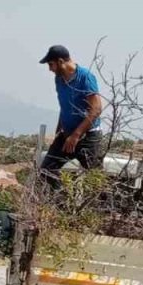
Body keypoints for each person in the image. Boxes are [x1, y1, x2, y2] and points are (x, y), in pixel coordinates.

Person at [38, 44, 107, 192]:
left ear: (61, 61)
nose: (50, 69)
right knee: (47, 170)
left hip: (88, 136)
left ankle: (104, 206)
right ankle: (63, 201)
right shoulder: (59, 80)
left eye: (51, 64)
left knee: (96, 181)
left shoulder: (85, 77)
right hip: (67, 135)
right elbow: (65, 107)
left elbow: (96, 109)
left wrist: (76, 135)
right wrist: (59, 131)